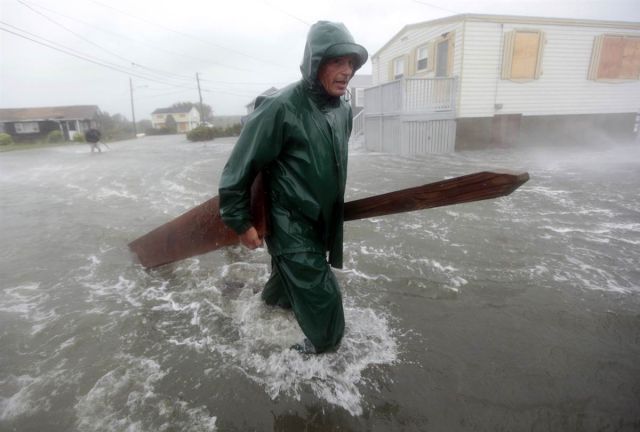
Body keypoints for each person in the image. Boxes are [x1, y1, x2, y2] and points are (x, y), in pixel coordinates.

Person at [218, 21, 368, 354]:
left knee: (290, 285)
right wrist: (241, 222)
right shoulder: (281, 107)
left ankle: (264, 310)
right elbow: (238, 170)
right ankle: (323, 356)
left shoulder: (342, 110)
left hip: (322, 218)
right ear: (316, 62)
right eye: (337, 62)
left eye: (352, 64)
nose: (347, 72)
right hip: (289, 222)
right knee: (324, 296)